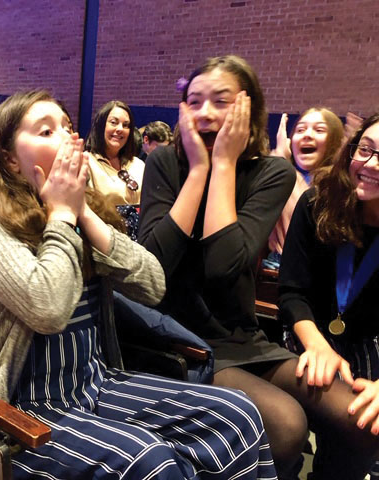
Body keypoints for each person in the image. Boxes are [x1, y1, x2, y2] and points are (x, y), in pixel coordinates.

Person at [0, 89, 278, 479]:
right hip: (22, 403)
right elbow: (47, 308)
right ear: (9, 159)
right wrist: (60, 217)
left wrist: (84, 212)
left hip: (96, 381)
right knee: (148, 461)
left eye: (69, 127)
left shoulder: (82, 209)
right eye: (46, 130)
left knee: (237, 414)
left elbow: (153, 283)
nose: (70, 138)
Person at [139, 54, 379, 478]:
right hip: (174, 336)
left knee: (360, 422)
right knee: (287, 426)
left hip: (240, 337)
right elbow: (153, 267)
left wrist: (226, 165)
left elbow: (223, 265)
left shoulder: (272, 172)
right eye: (194, 101)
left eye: (221, 101)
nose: (206, 113)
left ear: (249, 111)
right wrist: (201, 171)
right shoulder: (164, 163)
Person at [279, 113, 379, 479]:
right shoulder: (315, 204)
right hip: (307, 336)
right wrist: (317, 345)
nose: (370, 165)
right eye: (364, 150)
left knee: (367, 424)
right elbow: (291, 292)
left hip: (367, 345)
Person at [266, 108, 344, 263]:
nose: (307, 135)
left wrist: (281, 162)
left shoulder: (337, 185)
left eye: (319, 129)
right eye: (300, 129)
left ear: (334, 141)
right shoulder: (290, 175)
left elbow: (299, 234)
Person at [85, 100, 144, 205]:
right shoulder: (87, 163)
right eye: (113, 122)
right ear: (101, 126)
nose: (120, 129)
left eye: (126, 125)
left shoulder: (138, 165)